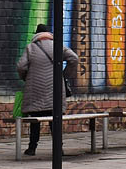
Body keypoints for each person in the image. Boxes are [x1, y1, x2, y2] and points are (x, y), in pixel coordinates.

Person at [15, 23, 79, 157]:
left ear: (36, 35)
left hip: (35, 90)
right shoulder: (58, 47)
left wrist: (26, 78)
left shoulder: (31, 48)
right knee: (55, 120)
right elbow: (74, 58)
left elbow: (21, 66)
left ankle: (32, 148)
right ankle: (58, 149)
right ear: (49, 34)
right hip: (54, 89)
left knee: (35, 120)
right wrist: (64, 75)